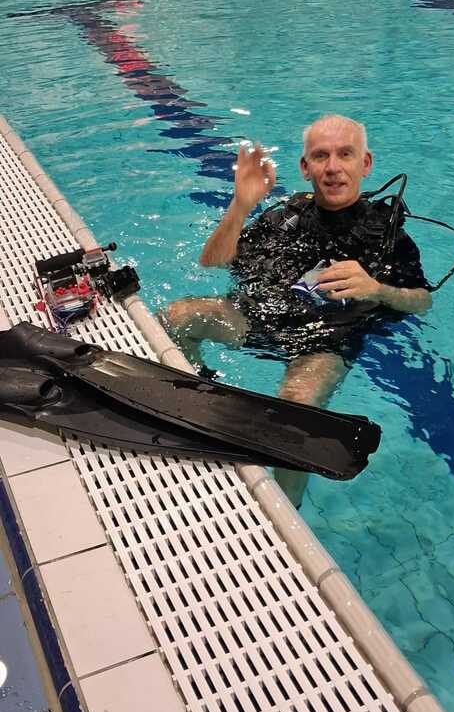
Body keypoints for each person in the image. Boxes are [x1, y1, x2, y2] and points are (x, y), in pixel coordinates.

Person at [163, 115, 432, 507]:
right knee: (176, 317)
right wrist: (240, 206)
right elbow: (214, 261)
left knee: (296, 408)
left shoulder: (388, 237)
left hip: (325, 342)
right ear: (305, 167)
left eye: (345, 154)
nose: (333, 167)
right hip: (263, 318)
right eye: (321, 156)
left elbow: (422, 300)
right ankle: (202, 392)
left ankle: (287, 513)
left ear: (365, 164)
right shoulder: (285, 217)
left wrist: (376, 289)